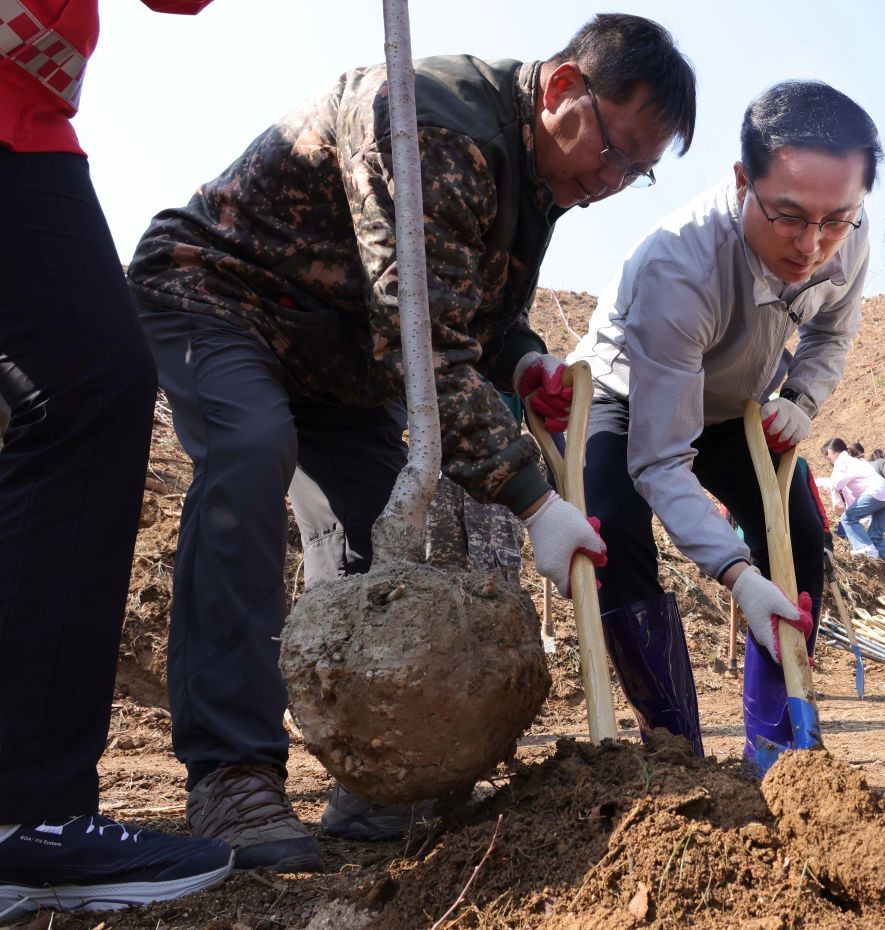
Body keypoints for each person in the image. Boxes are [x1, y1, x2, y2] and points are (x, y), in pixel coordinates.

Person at [124, 14, 696, 871]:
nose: (613, 181)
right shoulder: (437, 126)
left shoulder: (537, 171)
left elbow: (472, 310)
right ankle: (231, 775)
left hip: (338, 359)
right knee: (249, 452)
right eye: (614, 152)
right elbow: (422, 342)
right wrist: (533, 502)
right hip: (223, 294)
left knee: (395, 530)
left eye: (637, 172)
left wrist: (525, 357)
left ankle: (380, 782)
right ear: (563, 89)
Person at [0, 1, 236, 921]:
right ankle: (27, 810)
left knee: (83, 388)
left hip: (26, 125)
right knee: (88, 384)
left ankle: (28, 808)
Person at [567, 80, 880, 765]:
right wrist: (735, 573)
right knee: (611, 529)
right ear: (743, 181)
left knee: (797, 536)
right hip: (633, 396)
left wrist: (801, 398)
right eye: (790, 218)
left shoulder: (845, 238)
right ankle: (676, 747)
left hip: (739, 404)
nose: (812, 245)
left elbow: (831, 337)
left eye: (836, 221)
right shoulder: (678, 264)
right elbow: (659, 461)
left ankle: (779, 744)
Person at [823, 437, 885, 584]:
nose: (828, 458)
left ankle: (865, 548)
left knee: (847, 518)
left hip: (876, 493)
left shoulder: (842, 461)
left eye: (827, 454)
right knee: (875, 537)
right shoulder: (854, 461)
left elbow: (835, 483)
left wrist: (819, 482)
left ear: (833, 451)